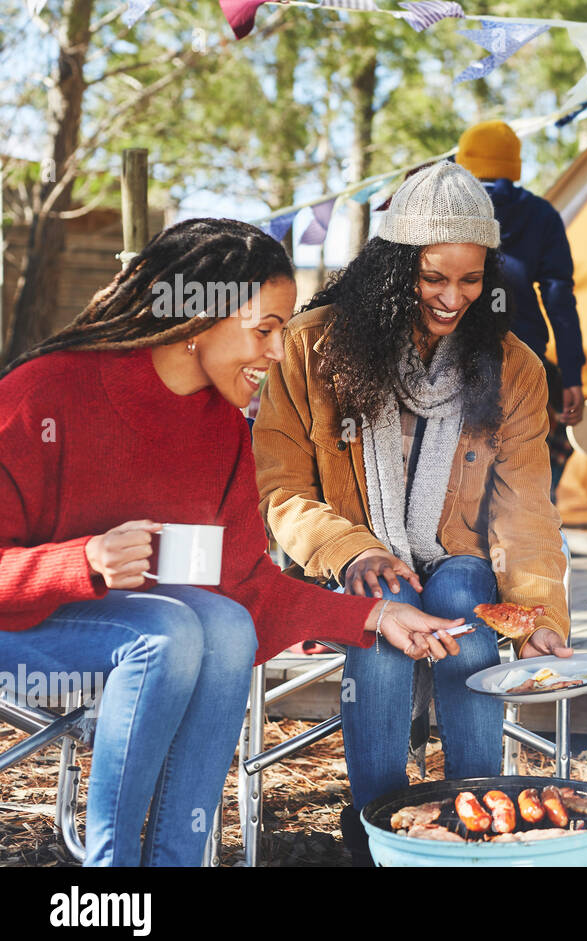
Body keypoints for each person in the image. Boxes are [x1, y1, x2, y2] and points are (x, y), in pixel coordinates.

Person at [0, 219, 461, 866]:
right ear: (195, 319)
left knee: (225, 624)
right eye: (264, 328)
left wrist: (377, 614)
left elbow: (247, 586)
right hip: (22, 631)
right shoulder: (45, 394)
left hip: (135, 637)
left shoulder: (222, 429)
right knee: (172, 631)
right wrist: (83, 561)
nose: (278, 352)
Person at [252, 161, 571, 865]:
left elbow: (525, 513)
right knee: (386, 599)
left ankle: (474, 821)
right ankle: (380, 830)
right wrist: (352, 551)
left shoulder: (514, 366)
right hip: (351, 560)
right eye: (433, 278)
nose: (453, 297)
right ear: (396, 270)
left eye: (469, 279)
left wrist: (542, 615)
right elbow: (281, 491)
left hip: (458, 559)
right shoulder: (310, 346)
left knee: (465, 607)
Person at [456, 120, 585, 498]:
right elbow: (560, 298)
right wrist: (573, 374)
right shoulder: (542, 215)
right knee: (528, 471)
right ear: (515, 165)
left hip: (457, 365)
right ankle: (533, 538)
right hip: (526, 363)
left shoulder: (451, 213)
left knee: (466, 477)